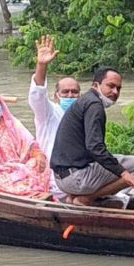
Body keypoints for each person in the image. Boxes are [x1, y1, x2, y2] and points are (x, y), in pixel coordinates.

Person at [49, 67, 134, 209]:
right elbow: (95, 147)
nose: (115, 92)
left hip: (62, 179)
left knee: (114, 161)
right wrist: (123, 173)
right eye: (110, 86)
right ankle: (88, 199)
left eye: (118, 88)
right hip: (76, 179)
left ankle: (78, 197)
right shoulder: (94, 105)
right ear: (96, 85)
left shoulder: (85, 102)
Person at [27, 35, 84, 203]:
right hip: (53, 178)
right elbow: (37, 95)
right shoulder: (48, 113)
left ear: (80, 96)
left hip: (80, 175)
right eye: (65, 92)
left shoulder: (84, 117)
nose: (70, 95)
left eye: (74, 92)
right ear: (56, 96)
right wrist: (42, 65)